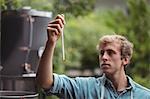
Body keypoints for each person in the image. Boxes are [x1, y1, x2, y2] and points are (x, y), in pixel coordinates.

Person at [36, 14, 150, 99]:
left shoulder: (144, 95)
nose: (104, 57)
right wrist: (51, 43)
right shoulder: (85, 88)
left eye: (110, 52)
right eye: (101, 53)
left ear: (125, 59)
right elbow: (45, 82)